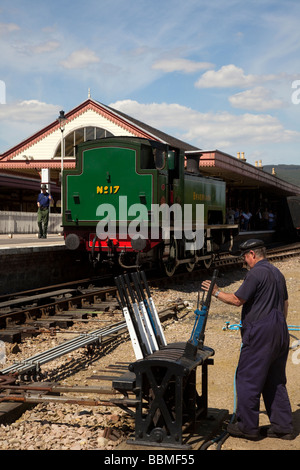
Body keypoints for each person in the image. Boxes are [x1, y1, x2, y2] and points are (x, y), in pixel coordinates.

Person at [201, 239, 293, 440]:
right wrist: (275, 326)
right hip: (280, 330)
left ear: (252, 254)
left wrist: (215, 291)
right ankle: (283, 426)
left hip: (261, 333)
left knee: (248, 378)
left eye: (244, 257)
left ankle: (248, 427)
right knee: (275, 380)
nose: (244, 262)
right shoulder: (277, 273)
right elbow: (285, 303)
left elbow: (236, 300)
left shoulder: (256, 273)